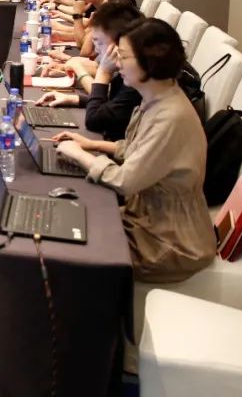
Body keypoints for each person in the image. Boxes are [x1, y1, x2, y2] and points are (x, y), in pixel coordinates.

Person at [54, 19, 214, 282]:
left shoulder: (171, 117)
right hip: (146, 219)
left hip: (168, 241)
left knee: (69, 249)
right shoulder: (158, 98)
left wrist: (79, 154)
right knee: (71, 217)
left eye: (123, 56)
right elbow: (134, 150)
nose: (116, 64)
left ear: (149, 62)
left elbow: (125, 181)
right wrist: (91, 144)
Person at [36, 0, 143, 141]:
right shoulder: (128, 75)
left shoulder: (135, 81)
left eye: (99, 42)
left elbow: (95, 120)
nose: (96, 48)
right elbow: (113, 104)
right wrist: (75, 99)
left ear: (118, 44)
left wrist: (103, 71)